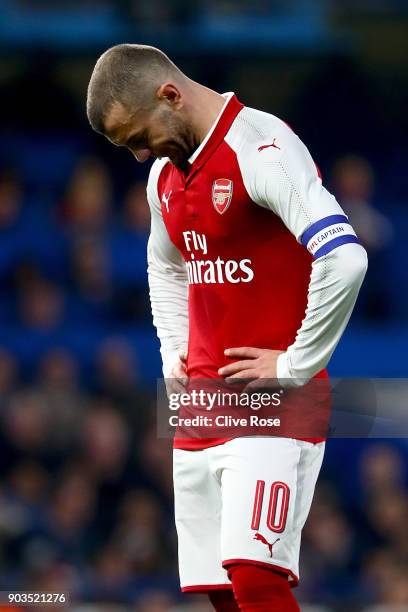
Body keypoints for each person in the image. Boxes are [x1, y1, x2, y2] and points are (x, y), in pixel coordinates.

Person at [86, 44, 367, 612]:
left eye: (138, 137)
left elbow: (346, 259)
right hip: (200, 407)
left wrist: (294, 362)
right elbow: (166, 265)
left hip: (274, 403)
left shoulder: (260, 146)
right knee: (220, 591)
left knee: (255, 577)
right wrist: (174, 348)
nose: (140, 156)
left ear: (170, 95)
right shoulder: (165, 175)